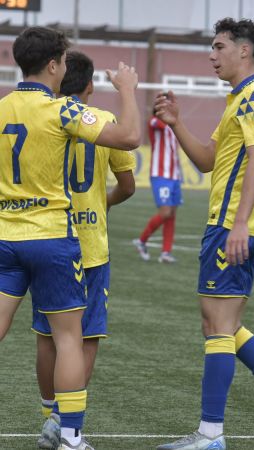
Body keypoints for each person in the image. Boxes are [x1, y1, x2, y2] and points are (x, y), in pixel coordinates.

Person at [153, 18, 254, 450]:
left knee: (219, 326)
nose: (212, 54)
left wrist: (241, 221)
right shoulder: (240, 99)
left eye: (219, 46)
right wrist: (176, 123)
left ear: (244, 51)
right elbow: (209, 160)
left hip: (235, 224)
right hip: (230, 222)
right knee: (221, 323)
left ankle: (211, 434)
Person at [0, 27, 140, 450]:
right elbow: (129, 137)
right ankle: (71, 437)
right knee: (68, 338)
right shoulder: (61, 109)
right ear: (53, 65)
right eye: (62, 61)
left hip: (6, 235)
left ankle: (57, 424)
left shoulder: (3, 108)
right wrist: (128, 91)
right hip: (51, 238)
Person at [132, 107, 183, 263]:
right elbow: (155, 122)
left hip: (174, 176)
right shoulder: (155, 122)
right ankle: (141, 241)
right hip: (161, 175)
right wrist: (163, 113)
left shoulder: (173, 128)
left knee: (171, 215)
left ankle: (166, 252)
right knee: (165, 212)